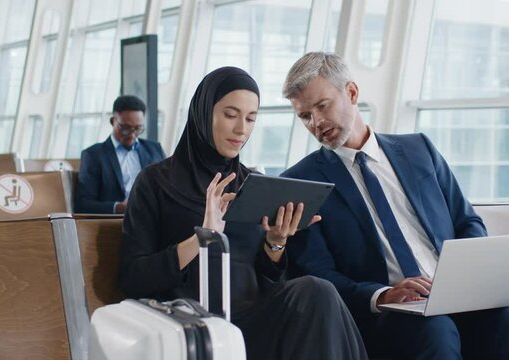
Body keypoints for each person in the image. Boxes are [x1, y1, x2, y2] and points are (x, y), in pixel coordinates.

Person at [281, 52, 509, 360]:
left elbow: (467, 222)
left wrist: (461, 277)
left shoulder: (419, 149)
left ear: (352, 92)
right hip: (386, 315)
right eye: (304, 116)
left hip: (454, 296)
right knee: (435, 330)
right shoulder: (302, 183)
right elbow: (318, 274)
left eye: (322, 105)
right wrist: (382, 295)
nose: (316, 122)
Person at [119, 66, 367, 360]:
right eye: (230, 115)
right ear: (203, 113)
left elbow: (266, 280)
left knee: (317, 290)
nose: (242, 130)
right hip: (196, 326)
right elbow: (133, 277)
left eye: (250, 119)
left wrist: (275, 243)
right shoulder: (155, 182)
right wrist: (204, 237)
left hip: (253, 319)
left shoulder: (250, 183)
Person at [75, 95, 166, 214]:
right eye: (125, 128)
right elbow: (83, 204)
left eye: (138, 128)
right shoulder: (93, 155)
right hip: (115, 223)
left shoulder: (155, 150)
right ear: (113, 121)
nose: (132, 135)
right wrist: (118, 208)